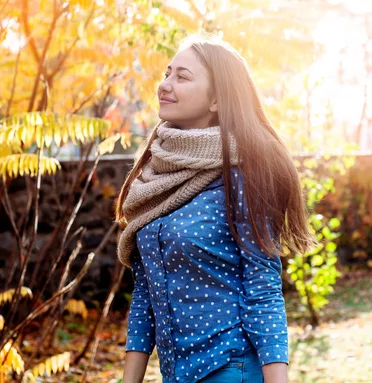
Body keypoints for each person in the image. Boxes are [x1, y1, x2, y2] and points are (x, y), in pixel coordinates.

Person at [116, 35, 314, 383]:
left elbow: (263, 286)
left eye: (182, 77)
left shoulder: (242, 170)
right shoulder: (156, 173)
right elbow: (145, 293)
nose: (165, 85)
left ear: (217, 99)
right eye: (167, 73)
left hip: (229, 368)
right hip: (175, 374)